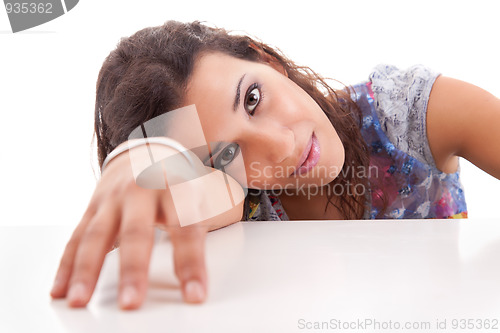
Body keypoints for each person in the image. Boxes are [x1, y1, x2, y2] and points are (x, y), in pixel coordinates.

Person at [50, 20, 500, 310]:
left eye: (252, 99)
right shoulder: (241, 201)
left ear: (267, 60)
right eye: (225, 155)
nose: (280, 146)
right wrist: (139, 161)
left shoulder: (411, 112)